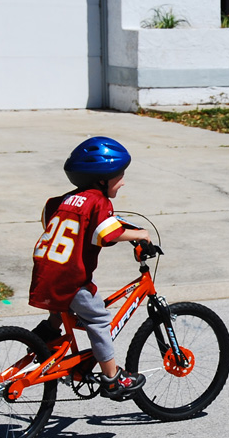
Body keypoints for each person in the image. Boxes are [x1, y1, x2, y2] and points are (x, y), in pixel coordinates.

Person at [29, 136, 152, 399]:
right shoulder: (99, 201)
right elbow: (106, 234)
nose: (123, 180)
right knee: (98, 318)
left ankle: (46, 338)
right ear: (102, 179)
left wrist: (116, 224)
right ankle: (112, 378)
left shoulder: (59, 201)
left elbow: (61, 224)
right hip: (70, 280)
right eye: (119, 175)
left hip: (45, 272)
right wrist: (139, 234)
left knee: (63, 311)